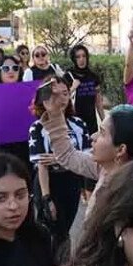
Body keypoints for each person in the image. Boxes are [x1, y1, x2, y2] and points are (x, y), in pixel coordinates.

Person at [38, 84, 133, 218]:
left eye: (102, 133)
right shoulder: (104, 168)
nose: (93, 137)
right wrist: (55, 114)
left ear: (121, 150)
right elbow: (68, 155)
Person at [29, 75, 91, 251]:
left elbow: (86, 157)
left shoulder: (78, 124)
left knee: (64, 230)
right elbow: (42, 164)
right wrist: (47, 197)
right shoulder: (38, 127)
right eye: (55, 95)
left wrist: (60, 159)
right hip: (48, 182)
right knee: (50, 228)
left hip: (71, 182)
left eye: (65, 93)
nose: (61, 99)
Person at [0, 54, 32, 173]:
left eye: (15, 68)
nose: (11, 71)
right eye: (6, 68)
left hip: (23, 148)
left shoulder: (30, 93)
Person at [67, 43, 105, 139]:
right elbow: (61, 99)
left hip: (91, 121)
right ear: (74, 59)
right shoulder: (68, 76)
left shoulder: (93, 76)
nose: (81, 59)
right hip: (74, 121)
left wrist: (104, 122)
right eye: (78, 57)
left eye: (84, 56)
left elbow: (98, 102)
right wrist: (72, 88)